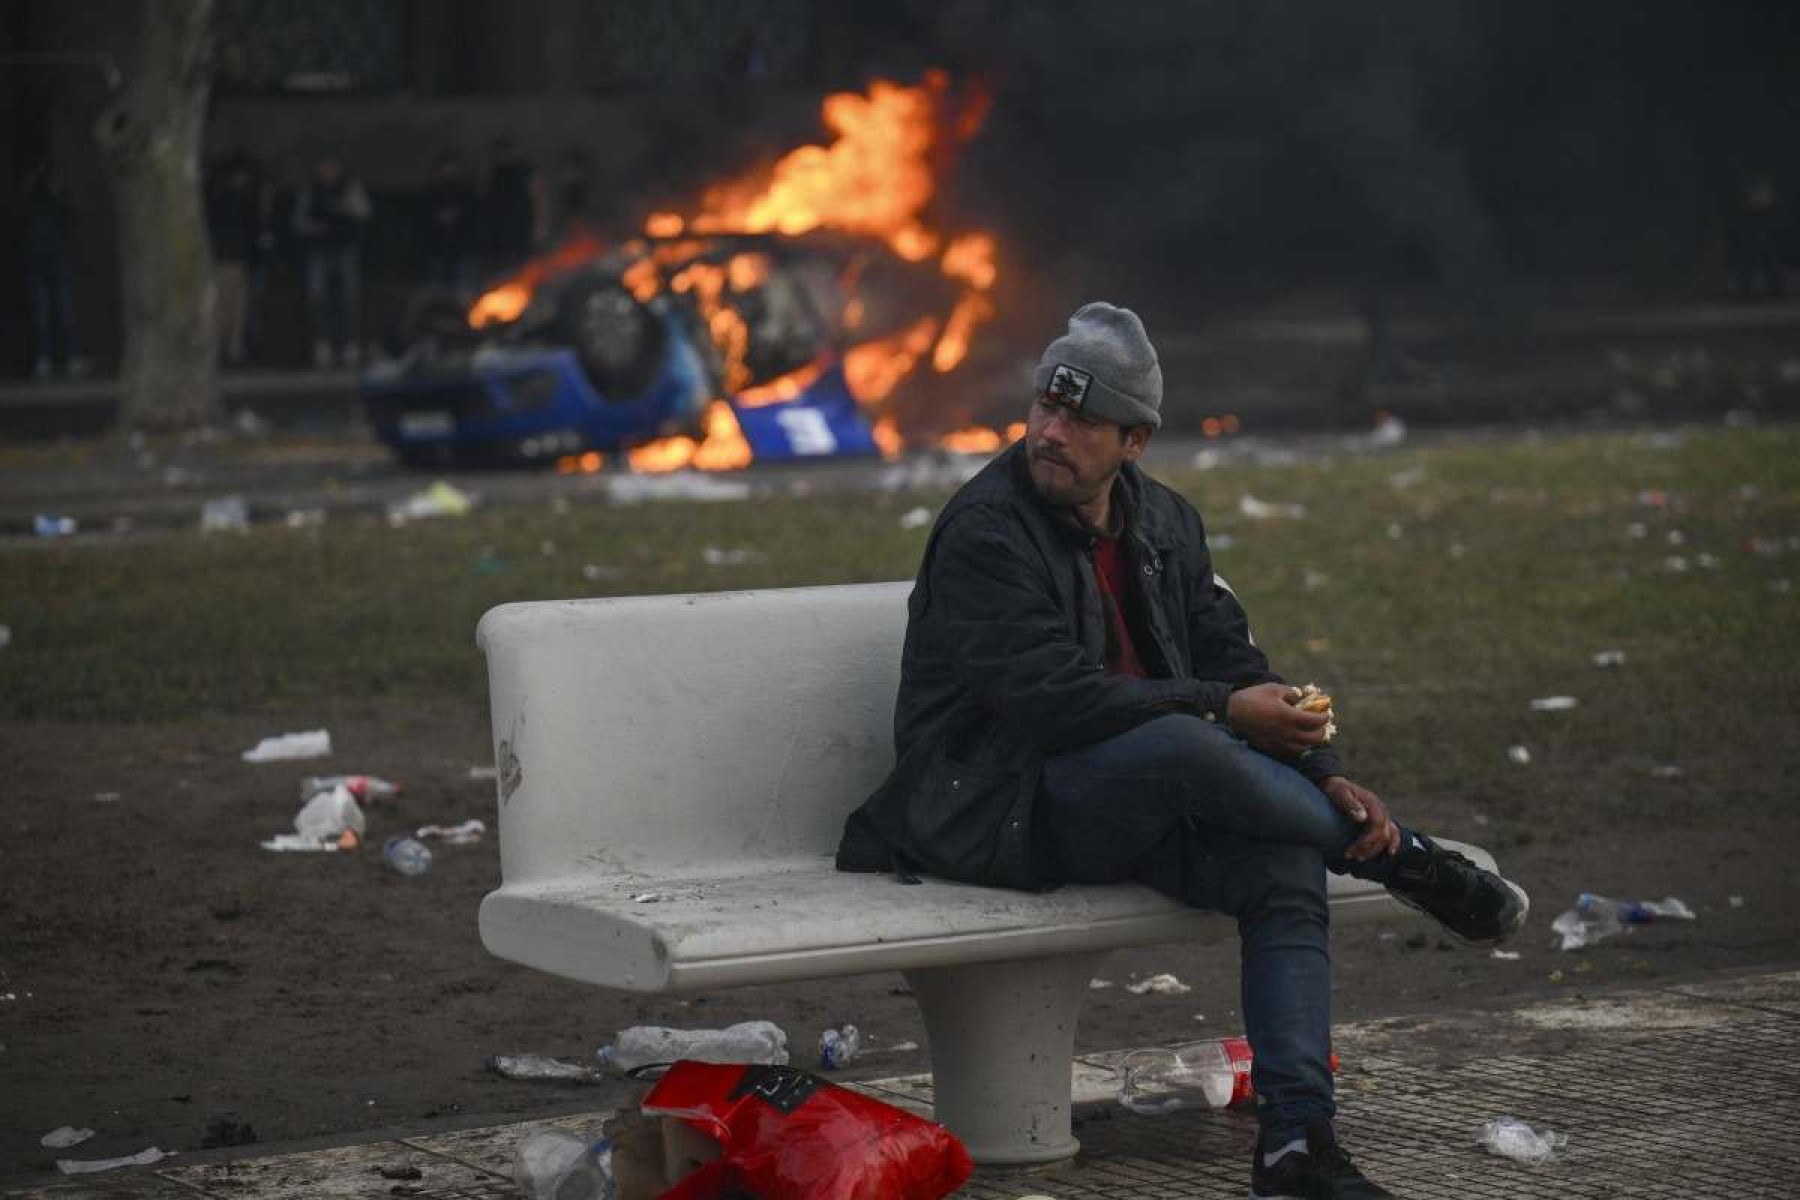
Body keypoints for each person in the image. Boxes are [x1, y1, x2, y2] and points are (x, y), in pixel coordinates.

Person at [837, 302, 1529, 1199]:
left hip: (1135, 801)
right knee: (1177, 744)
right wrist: (1223, 710)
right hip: (999, 804)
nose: (1050, 432)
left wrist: (1321, 772)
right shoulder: (986, 531)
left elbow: (1231, 658)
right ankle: (1406, 862)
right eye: (1045, 406)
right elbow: (1057, 707)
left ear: (1134, 440)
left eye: (1080, 419)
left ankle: (1296, 1146)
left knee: (1282, 866)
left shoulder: (1165, 523)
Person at [293, 155, 372, 369]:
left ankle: (350, 346)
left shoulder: (350, 188)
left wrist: (345, 207)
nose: (328, 172)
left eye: (332, 167)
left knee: (349, 299)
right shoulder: (311, 191)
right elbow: (299, 223)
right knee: (318, 299)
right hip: (319, 251)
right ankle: (323, 345)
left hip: (345, 250)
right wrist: (315, 227)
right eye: (324, 167)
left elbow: (364, 212)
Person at [20, 158, 88, 380]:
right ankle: (45, 359)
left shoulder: (57, 201)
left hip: (56, 261)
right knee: (44, 315)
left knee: (64, 311)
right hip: (39, 263)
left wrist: (57, 191)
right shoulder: (31, 201)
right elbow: (21, 217)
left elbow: (72, 216)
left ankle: (72, 358)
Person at [417, 149, 479, 296]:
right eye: (445, 167)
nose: (448, 171)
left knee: (462, 293)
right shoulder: (431, 191)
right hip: (437, 250)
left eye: (452, 167)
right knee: (436, 293)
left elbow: (473, 218)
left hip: (462, 250)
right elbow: (424, 219)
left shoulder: (467, 191)